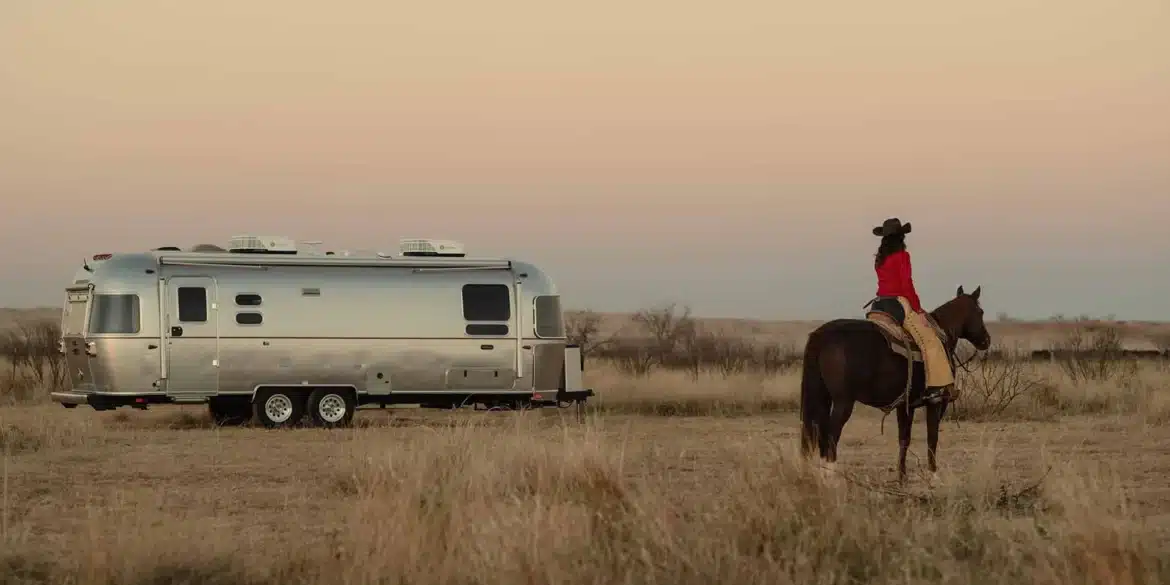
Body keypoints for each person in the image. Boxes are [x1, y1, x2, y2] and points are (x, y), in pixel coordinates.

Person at [871, 218, 954, 406]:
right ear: (901, 237)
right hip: (898, 304)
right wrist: (919, 311)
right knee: (930, 339)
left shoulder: (879, 259)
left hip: (879, 305)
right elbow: (906, 286)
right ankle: (936, 387)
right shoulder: (902, 256)